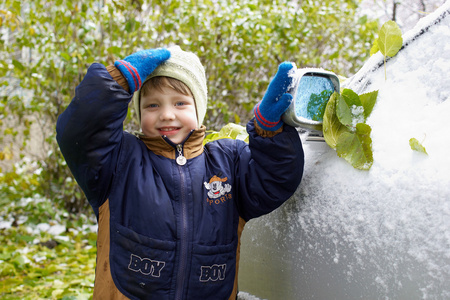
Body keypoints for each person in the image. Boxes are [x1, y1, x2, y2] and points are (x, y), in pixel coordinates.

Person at [56, 46, 304, 300]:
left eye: (180, 103)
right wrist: (118, 81)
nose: (166, 114)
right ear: (139, 111)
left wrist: (269, 131)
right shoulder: (118, 160)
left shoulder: (228, 162)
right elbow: (80, 134)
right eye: (152, 105)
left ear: (199, 107)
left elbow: (276, 178)